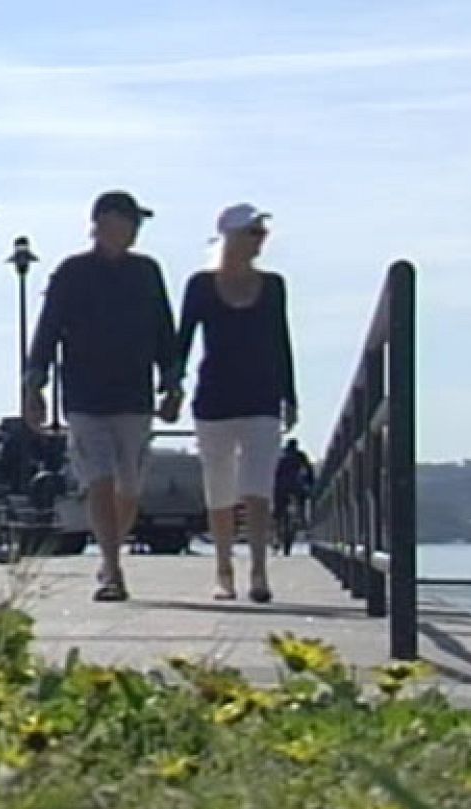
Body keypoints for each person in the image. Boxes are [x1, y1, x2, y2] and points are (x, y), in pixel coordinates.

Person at [24, 190, 182, 602]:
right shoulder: (71, 273)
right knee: (100, 480)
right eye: (124, 225)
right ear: (101, 225)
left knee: (128, 487)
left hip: (134, 395)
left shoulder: (147, 272)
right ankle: (112, 569)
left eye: (134, 227)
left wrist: (173, 381)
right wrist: (33, 383)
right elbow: (47, 329)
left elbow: (165, 330)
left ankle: (110, 552)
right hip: (85, 396)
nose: (130, 234)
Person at [176, 203, 297, 603]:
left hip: (262, 395)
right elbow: (184, 340)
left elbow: (281, 341)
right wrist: (171, 385)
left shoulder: (274, 285)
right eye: (253, 233)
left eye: (262, 234)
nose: (260, 241)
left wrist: (289, 396)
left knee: (259, 487)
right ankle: (223, 569)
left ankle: (259, 570)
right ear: (231, 237)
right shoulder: (201, 285)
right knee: (220, 486)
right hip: (215, 396)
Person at [274, 439, 315, 555]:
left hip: (280, 487)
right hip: (296, 486)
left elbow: (273, 471)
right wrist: (311, 484)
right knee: (300, 503)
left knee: (278, 512)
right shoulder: (300, 455)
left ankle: (277, 532)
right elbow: (309, 469)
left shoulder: (281, 455)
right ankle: (302, 519)